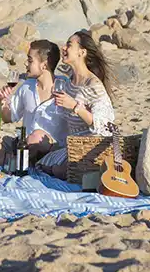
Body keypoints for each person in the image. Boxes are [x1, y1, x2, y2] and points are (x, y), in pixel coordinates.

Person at [0, 40, 70, 167]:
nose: (26, 63)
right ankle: (11, 160)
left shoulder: (65, 88)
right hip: (22, 143)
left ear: (44, 65)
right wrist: (3, 101)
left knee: (37, 135)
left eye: (30, 60)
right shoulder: (27, 87)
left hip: (50, 149)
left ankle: (2, 161)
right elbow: (8, 118)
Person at [37, 30, 117, 179]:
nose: (64, 48)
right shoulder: (69, 82)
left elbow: (104, 126)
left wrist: (75, 106)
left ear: (82, 52)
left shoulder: (93, 85)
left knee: (61, 170)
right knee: (39, 163)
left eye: (69, 45)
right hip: (73, 145)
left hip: (91, 147)